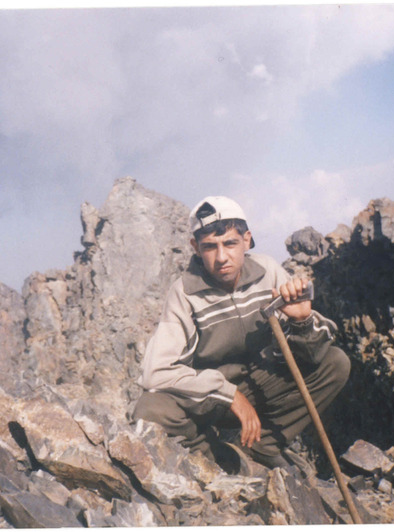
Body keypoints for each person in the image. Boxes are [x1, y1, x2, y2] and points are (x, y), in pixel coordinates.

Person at [132, 196, 350, 473]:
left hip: (263, 385)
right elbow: (156, 373)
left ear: (247, 240)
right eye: (210, 247)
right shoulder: (185, 294)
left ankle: (263, 446)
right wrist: (229, 393)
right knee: (150, 409)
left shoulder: (267, 271)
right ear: (195, 248)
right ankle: (217, 457)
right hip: (211, 401)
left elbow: (312, 352)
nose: (221, 257)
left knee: (335, 362)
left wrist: (302, 321)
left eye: (230, 244)